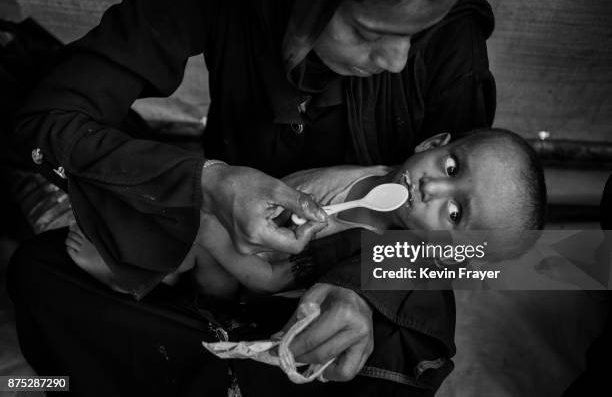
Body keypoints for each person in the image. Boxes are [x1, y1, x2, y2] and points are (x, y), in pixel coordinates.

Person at [8, 0, 497, 395]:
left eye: (415, 34)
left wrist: (360, 288)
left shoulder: (454, 31)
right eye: (369, 33)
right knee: (38, 275)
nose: (397, 61)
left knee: (380, 362)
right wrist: (209, 181)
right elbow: (46, 121)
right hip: (224, 254)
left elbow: (474, 236)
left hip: (366, 277)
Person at [65, 128, 546, 298]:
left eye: (455, 213)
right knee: (181, 194)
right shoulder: (383, 171)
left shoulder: (376, 252)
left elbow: (270, 281)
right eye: (450, 165)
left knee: (200, 233)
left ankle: (142, 275)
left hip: (245, 276)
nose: (433, 186)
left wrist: (216, 240)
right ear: (433, 143)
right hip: (264, 211)